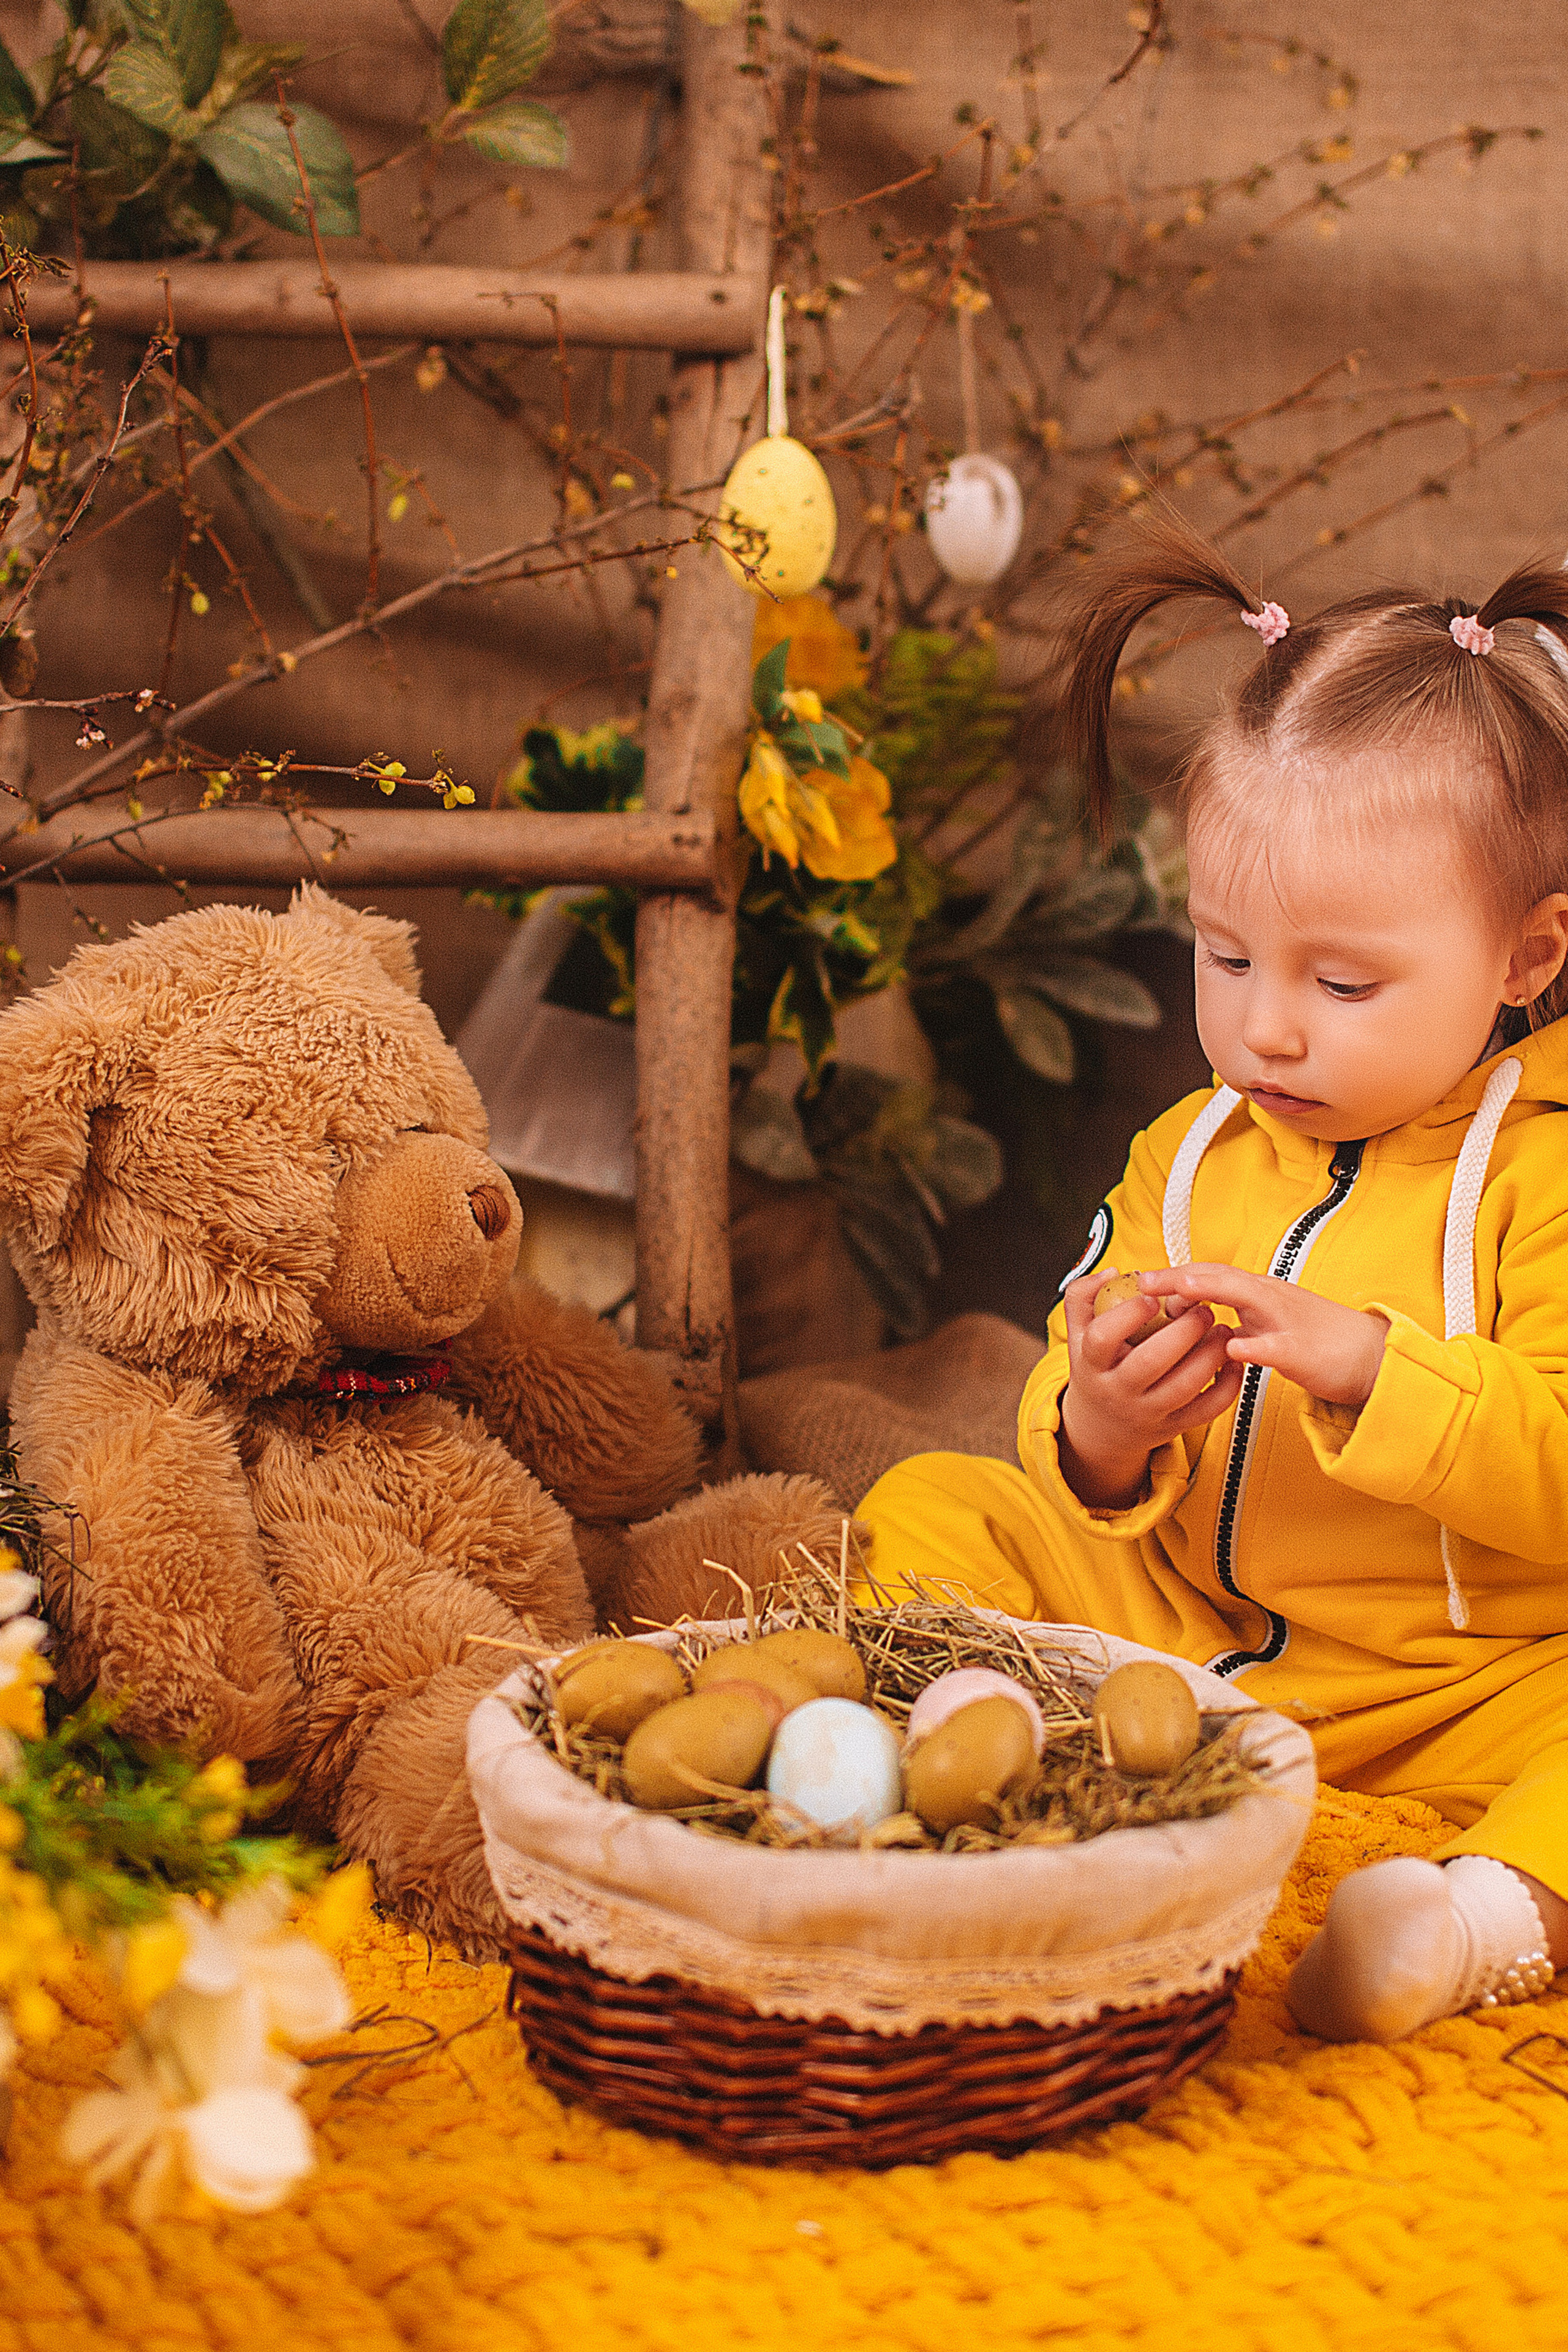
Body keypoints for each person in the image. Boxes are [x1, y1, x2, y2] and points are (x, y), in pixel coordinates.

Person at [859, 516, 1568, 2042]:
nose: (1268, 1032)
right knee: (938, 1503)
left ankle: (1466, 1922)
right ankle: (986, 1739)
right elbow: (1073, 1394)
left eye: (1342, 982)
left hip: (1480, 1686)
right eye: (1225, 956)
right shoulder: (1186, 1151)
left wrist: (1372, 1363)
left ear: (1523, 956)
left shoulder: (1544, 1170)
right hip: (1185, 1640)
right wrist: (1100, 1422)